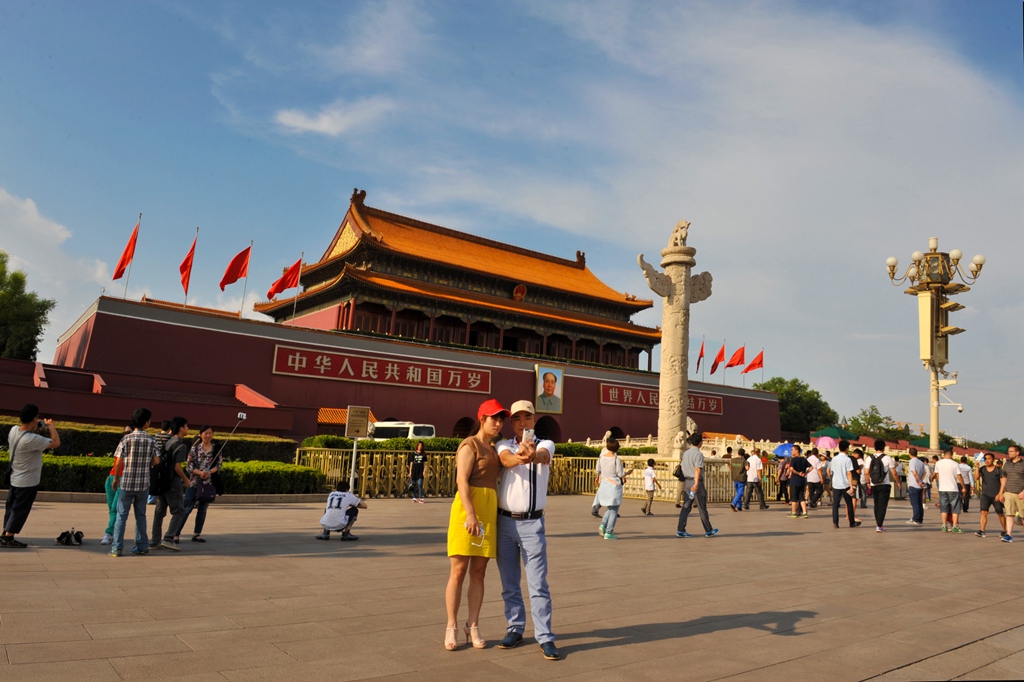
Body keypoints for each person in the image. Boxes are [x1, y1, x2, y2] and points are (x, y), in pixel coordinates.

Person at [495, 400, 559, 661]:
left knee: (538, 583)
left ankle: (545, 636)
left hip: (532, 524)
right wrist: (521, 457)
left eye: (527, 418)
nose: (523, 423)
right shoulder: (503, 445)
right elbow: (505, 459)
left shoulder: (546, 444)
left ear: (534, 420)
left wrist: (532, 455)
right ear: (512, 422)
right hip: (505, 522)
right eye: (517, 418)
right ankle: (515, 627)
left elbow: (543, 456)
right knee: (509, 582)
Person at [444, 399, 508, 651]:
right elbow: (461, 481)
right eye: (494, 418)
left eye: (501, 419)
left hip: (488, 511)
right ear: (482, 419)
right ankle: (451, 625)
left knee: (479, 572)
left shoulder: (493, 449)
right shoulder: (469, 445)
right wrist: (470, 514)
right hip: (466, 511)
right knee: (458, 571)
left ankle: (473, 625)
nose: (498, 423)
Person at [2, 404, 60, 548]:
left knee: (11, 508)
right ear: (34, 418)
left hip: (15, 477)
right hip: (27, 481)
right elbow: (56, 443)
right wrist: (51, 427)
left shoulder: (13, 430)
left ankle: (5, 533)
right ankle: (8, 538)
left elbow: (27, 431)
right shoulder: (32, 439)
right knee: (20, 510)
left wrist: (35, 426)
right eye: (37, 417)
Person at [109, 408, 160, 556]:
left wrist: (116, 479)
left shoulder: (126, 439)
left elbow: (119, 461)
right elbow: (156, 460)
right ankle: (142, 546)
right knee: (141, 516)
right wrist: (148, 464)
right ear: (146, 423)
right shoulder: (151, 440)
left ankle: (117, 548)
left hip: (126, 482)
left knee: (121, 515)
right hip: (143, 483)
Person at [151, 416, 191, 551]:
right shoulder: (181, 445)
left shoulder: (168, 441)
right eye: (186, 426)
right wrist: (186, 480)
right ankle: (168, 538)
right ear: (181, 429)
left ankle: (155, 541)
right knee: (179, 511)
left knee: (159, 512)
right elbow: (177, 467)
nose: (188, 429)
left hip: (162, 481)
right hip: (173, 483)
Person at [178, 425, 222, 544]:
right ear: (200, 435)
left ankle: (197, 534)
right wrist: (200, 473)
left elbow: (219, 465)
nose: (208, 435)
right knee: (186, 508)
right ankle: (176, 533)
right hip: (194, 483)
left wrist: (209, 472)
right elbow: (189, 466)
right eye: (205, 433)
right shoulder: (194, 449)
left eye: (210, 433)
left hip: (208, 484)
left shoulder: (216, 449)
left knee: (202, 510)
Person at [676, 432, 718, 538]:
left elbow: (682, 467)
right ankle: (708, 530)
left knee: (686, 506)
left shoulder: (686, 453)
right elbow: (697, 469)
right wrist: (696, 483)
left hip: (687, 483)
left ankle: (680, 530)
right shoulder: (698, 454)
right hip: (696, 483)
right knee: (701, 507)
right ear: (700, 442)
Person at [595, 438, 626, 540]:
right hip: (613, 485)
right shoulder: (616, 459)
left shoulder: (601, 457)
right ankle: (609, 532)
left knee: (610, 507)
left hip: (604, 484)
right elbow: (620, 473)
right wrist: (625, 475)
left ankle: (603, 525)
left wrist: (597, 478)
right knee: (614, 509)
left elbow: (598, 470)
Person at [865, 440, 899, 533]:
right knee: (882, 505)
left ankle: (878, 523)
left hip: (874, 484)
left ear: (874, 447)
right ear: (884, 447)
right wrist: (898, 482)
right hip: (884, 485)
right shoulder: (887, 458)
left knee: (876, 504)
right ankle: (879, 526)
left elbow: (866, 473)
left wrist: (868, 482)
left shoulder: (869, 458)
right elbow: (894, 473)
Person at [828, 440, 861, 529]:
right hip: (845, 484)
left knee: (835, 504)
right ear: (847, 448)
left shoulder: (834, 459)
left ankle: (835, 523)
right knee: (849, 503)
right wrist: (851, 486)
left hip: (836, 484)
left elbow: (831, 472)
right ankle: (852, 522)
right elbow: (849, 473)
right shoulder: (847, 459)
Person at [933, 448, 965, 533]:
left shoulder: (938, 463)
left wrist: (941, 482)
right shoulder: (955, 464)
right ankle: (955, 526)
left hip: (942, 488)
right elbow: (959, 476)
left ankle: (944, 525)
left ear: (944, 455)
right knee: (955, 508)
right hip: (953, 488)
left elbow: (936, 474)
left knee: (944, 508)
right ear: (951, 455)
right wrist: (963, 487)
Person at [997, 444, 1024, 543]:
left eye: (1011, 451)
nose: (1009, 453)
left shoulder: (1023, 464)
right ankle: (1009, 535)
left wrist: (1023, 492)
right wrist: (1001, 493)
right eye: (1008, 451)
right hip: (1009, 492)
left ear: (1017, 452)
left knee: (1023, 516)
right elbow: (1004, 479)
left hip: (1021, 493)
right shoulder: (1007, 464)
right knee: (1009, 514)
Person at [975, 453, 1006, 539]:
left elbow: (1003, 482)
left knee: (1000, 513)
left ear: (993, 459)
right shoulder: (982, 469)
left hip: (996, 495)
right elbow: (976, 477)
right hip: (985, 495)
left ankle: (1004, 530)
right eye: (985, 459)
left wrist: (1000, 494)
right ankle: (982, 531)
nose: (987, 460)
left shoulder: (998, 470)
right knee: (983, 512)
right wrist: (977, 467)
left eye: (989, 459)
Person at [786, 445, 809, 518]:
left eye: (792, 450)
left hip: (795, 480)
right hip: (802, 480)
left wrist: (798, 473)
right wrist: (805, 473)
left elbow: (792, 469)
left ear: (797, 451)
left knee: (794, 498)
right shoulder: (804, 459)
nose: (791, 451)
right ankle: (804, 512)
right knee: (801, 497)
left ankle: (794, 512)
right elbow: (811, 467)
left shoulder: (794, 459)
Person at [905, 448, 927, 526]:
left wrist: (918, 481)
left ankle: (916, 519)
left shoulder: (912, 461)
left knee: (915, 503)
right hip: (919, 486)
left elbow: (914, 473)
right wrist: (921, 480)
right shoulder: (921, 462)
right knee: (919, 503)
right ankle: (920, 518)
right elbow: (924, 473)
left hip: (913, 484)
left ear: (909, 454)